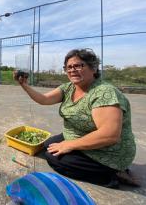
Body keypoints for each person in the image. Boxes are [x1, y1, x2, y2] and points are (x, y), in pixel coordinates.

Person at [14, 48, 138, 188]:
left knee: (54, 158)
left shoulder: (104, 93)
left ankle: (111, 175)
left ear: (93, 68)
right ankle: (93, 162)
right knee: (48, 145)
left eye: (78, 65)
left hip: (108, 151)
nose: (72, 70)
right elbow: (44, 99)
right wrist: (24, 86)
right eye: (68, 67)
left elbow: (109, 136)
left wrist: (69, 145)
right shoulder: (69, 87)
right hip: (80, 134)